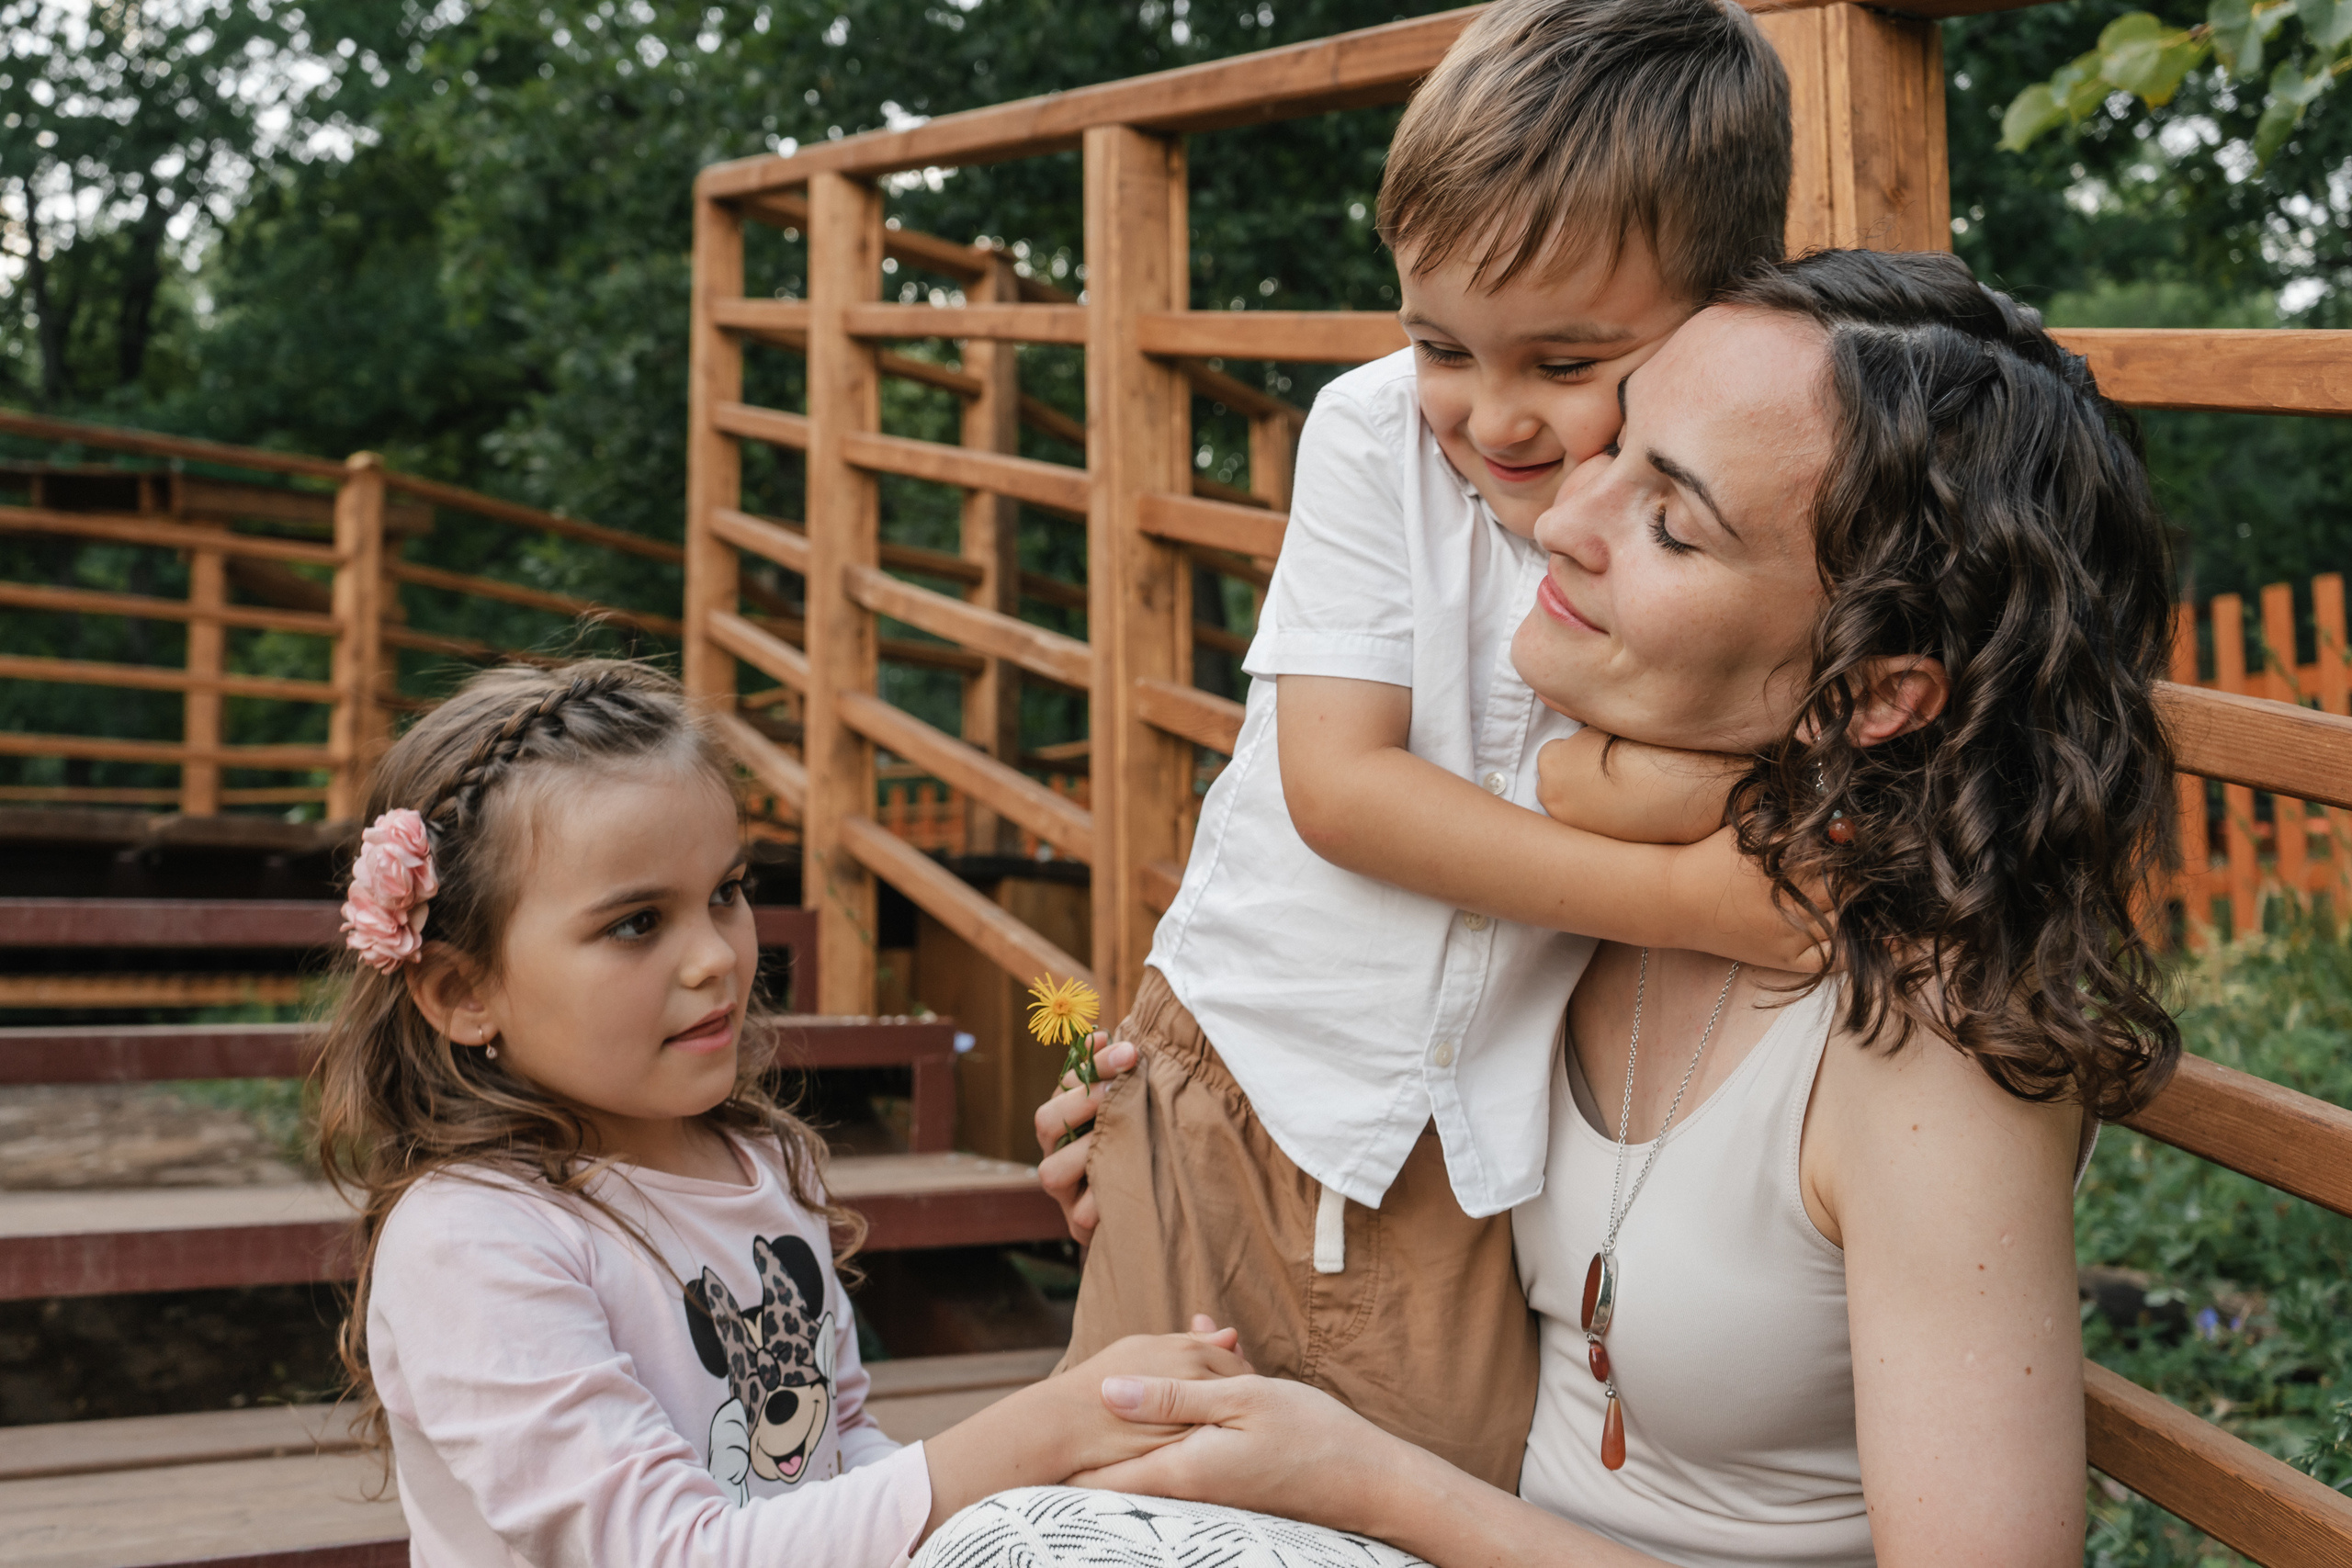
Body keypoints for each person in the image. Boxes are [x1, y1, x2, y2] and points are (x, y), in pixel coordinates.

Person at [954, 248, 2182, 1567]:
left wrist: (1374, 1485)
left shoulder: (1926, 1047)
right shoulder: (1579, 861)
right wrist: (1219, 1146)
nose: (1560, 518)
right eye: (1621, 442)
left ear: (1870, 693)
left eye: (1672, 521)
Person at [1059, 0, 1805, 1495]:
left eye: (1567, 358)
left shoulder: (1697, 524)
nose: (1494, 413)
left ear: (1720, 314)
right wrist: (1694, 895)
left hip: (1470, 1153)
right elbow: (1342, 788)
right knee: (1116, 1486)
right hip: (1247, 1067)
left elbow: (1651, 767)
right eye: (1443, 343)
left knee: (1424, 1494)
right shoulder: (1374, 434)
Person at [313, 660, 1250, 1567]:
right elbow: (665, 1554)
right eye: (637, 923)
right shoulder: (473, 1241)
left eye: (727, 893)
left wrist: (1073, 1455)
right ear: (461, 991)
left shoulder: (755, 1166)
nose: (717, 957)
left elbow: (840, 1458)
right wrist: (1040, 1432)